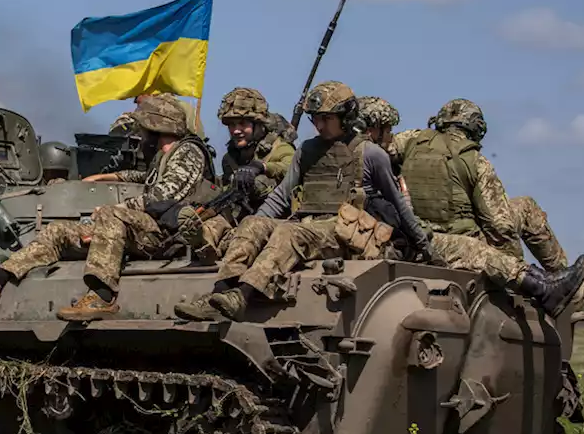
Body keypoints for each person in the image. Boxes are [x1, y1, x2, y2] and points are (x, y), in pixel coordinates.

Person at [176, 81, 434, 322]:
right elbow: (280, 197)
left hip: (342, 231)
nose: (319, 126)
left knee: (290, 232)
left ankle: (243, 296)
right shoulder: (307, 150)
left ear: (345, 117)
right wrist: (254, 224)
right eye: (315, 119)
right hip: (308, 223)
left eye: (326, 119)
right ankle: (219, 293)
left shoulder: (370, 154)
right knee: (253, 223)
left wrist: (422, 244)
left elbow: (397, 201)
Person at [0, 96, 212, 320]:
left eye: (143, 129)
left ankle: (102, 297)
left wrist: (116, 208)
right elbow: (147, 180)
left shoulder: (189, 152)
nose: (139, 135)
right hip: (143, 230)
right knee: (58, 231)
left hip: (168, 234)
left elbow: (165, 196)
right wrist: (108, 177)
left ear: (157, 127)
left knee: (109, 213)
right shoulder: (165, 156)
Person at [395, 97, 584, 307]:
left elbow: (381, 151)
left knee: (521, 207)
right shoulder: (476, 161)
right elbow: (499, 226)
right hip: (462, 242)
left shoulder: (410, 140)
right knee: (526, 207)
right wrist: (513, 264)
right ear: (476, 128)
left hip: (419, 234)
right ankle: (561, 278)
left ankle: (561, 279)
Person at [181, 87, 295, 263]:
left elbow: (291, 167)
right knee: (216, 222)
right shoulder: (231, 158)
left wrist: (261, 166)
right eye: (232, 125)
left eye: (242, 124)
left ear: (258, 125)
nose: (236, 130)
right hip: (240, 219)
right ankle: (205, 242)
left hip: (276, 220)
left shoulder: (279, 148)